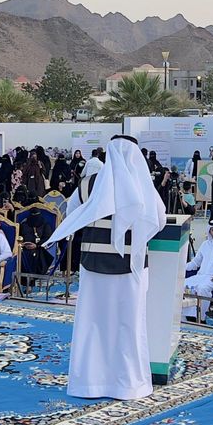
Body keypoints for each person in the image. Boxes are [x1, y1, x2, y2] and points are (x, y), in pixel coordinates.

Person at [44, 135, 165, 401]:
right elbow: (159, 219)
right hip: (131, 266)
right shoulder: (144, 184)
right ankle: (129, 384)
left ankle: (90, 384)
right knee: (129, 324)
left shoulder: (88, 184)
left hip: (94, 265)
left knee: (93, 323)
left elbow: (72, 213)